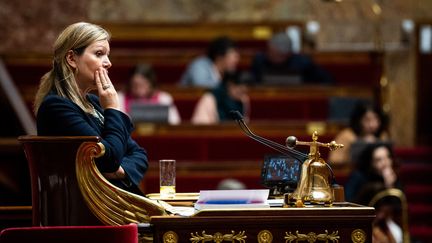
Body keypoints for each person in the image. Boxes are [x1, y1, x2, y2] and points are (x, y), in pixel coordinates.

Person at [34, 22, 147, 195]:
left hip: (113, 204)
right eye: (99, 54)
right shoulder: (56, 107)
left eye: (107, 55)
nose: (108, 63)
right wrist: (112, 109)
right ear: (72, 59)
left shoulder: (94, 103)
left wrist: (121, 170)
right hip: (87, 212)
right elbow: (110, 160)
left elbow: (139, 155)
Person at [250, 32, 334, 85]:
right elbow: (251, 83)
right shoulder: (259, 61)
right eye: (276, 54)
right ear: (269, 49)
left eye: (283, 55)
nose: (279, 59)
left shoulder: (303, 63)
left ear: (289, 53)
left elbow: (327, 81)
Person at [328, 101, 389, 166]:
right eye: (367, 120)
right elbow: (334, 161)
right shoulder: (346, 136)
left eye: (376, 119)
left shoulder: (382, 135)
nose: (372, 125)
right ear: (358, 120)